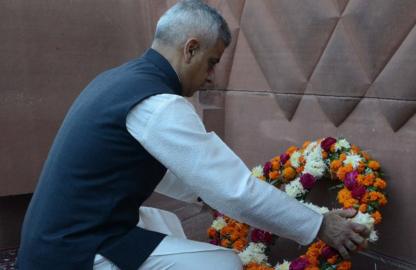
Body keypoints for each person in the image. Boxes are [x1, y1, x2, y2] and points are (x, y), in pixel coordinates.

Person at [18, 1, 369, 269]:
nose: (212, 76)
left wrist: (205, 195)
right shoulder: (159, 103)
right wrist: (320, 226)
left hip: (51, 241)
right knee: (223, 264)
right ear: (190, 49)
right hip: (74, 252)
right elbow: (235, 191)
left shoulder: (119, 80)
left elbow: (159, 167)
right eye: (212, 61)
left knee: (164, 222)